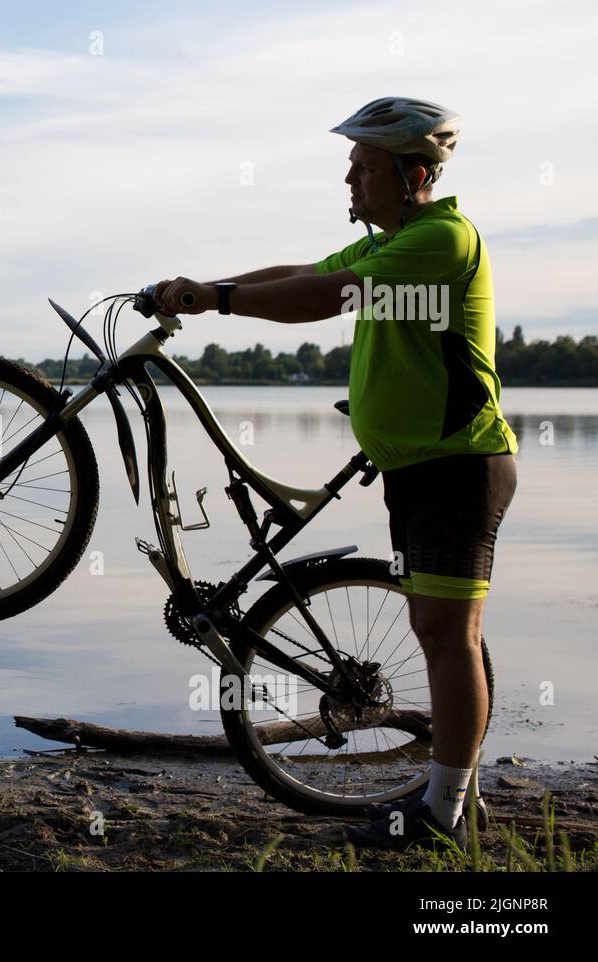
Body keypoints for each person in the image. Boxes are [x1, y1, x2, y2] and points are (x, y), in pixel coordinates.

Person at [151, 96, 519, 851]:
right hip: (417, 467)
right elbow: (304, 272)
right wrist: (206, 287)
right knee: (441, 633)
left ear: (414, 174)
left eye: (364, 167)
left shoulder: (442, 238)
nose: (349, 180)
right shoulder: (398, 240)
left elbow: (322, 298)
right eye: (349, 166)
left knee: (449, 636)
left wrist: (218, 301)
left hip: (459, 468)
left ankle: (443, 815)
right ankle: (459, 798)